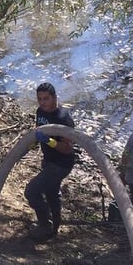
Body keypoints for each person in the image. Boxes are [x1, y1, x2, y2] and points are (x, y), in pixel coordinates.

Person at [25, 82, 76, 242]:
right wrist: (32, 143)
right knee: (52, 194)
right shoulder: (40, 111)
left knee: (32, 191)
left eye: (46, 99)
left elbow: (67, 148)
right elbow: (38, 131)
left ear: (55, 97)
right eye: (39, 99)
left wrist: (49, 141)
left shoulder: (64, 119)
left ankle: (45, 225)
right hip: (48, 160)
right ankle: (53, 230)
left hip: (61, 165)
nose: (42, 102)